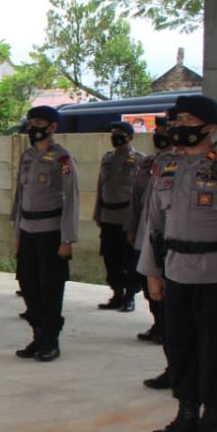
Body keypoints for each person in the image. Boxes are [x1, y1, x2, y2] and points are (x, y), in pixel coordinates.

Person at [138, 95, 217, 432]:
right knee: (180, 347)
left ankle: (212, 421)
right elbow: (153, 224)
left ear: (209, 127)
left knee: (216, 351)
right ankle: (186, 413)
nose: (178, 126)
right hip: (176, 272)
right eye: (177, 120)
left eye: (188, 119)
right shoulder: (166, 167)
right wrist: (152, 272)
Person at [12, 105, 79, 362]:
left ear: (52, 127)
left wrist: (67, 239)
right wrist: (17, 232)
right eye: (31, 122)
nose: (33, 127)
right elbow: (20, 198)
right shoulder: (27, 156)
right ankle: (38, 334)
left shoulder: (63, 159)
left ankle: (50, 340)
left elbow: (72, 200)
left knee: (50, 288)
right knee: (28, 285)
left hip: (51, 233)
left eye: (39, 122)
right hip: (27, 230)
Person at [131, 116, 175, 389]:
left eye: (165, 129)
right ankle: (173, 366)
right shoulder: (155, 163)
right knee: (154, 295)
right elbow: (144, 204)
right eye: (157, 130)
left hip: (187, 254)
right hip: (152, 242)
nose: (159, 134)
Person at [94, 121, 145, 313]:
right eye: (113, 133)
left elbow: (141, 192)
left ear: (131, 137)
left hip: (127, 217)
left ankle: (129, 296)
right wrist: (97, 213)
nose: (115, 136)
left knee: (129, 260)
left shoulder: (140, 160)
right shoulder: (107, 158)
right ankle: (116, 293)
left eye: (120, 133)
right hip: (108, 215)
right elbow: (101, 188)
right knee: (110, 257)